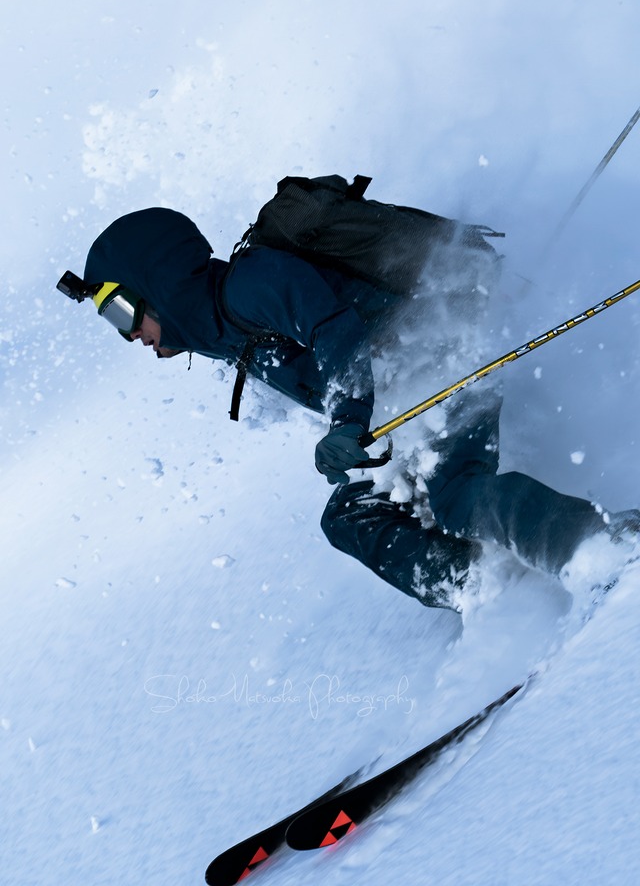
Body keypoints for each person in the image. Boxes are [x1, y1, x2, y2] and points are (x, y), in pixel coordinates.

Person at [63, 189, 638, 611]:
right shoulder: (225, 334)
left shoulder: (250, 284)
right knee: (350, 516)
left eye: (120, 312)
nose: (130, 336)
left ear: (157, 285)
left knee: (456, 496)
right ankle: (485, 585)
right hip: (405, 403)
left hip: (444, 359)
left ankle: (604, 546)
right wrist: (352, 427)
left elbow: (336, 333)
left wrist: (347, 420)